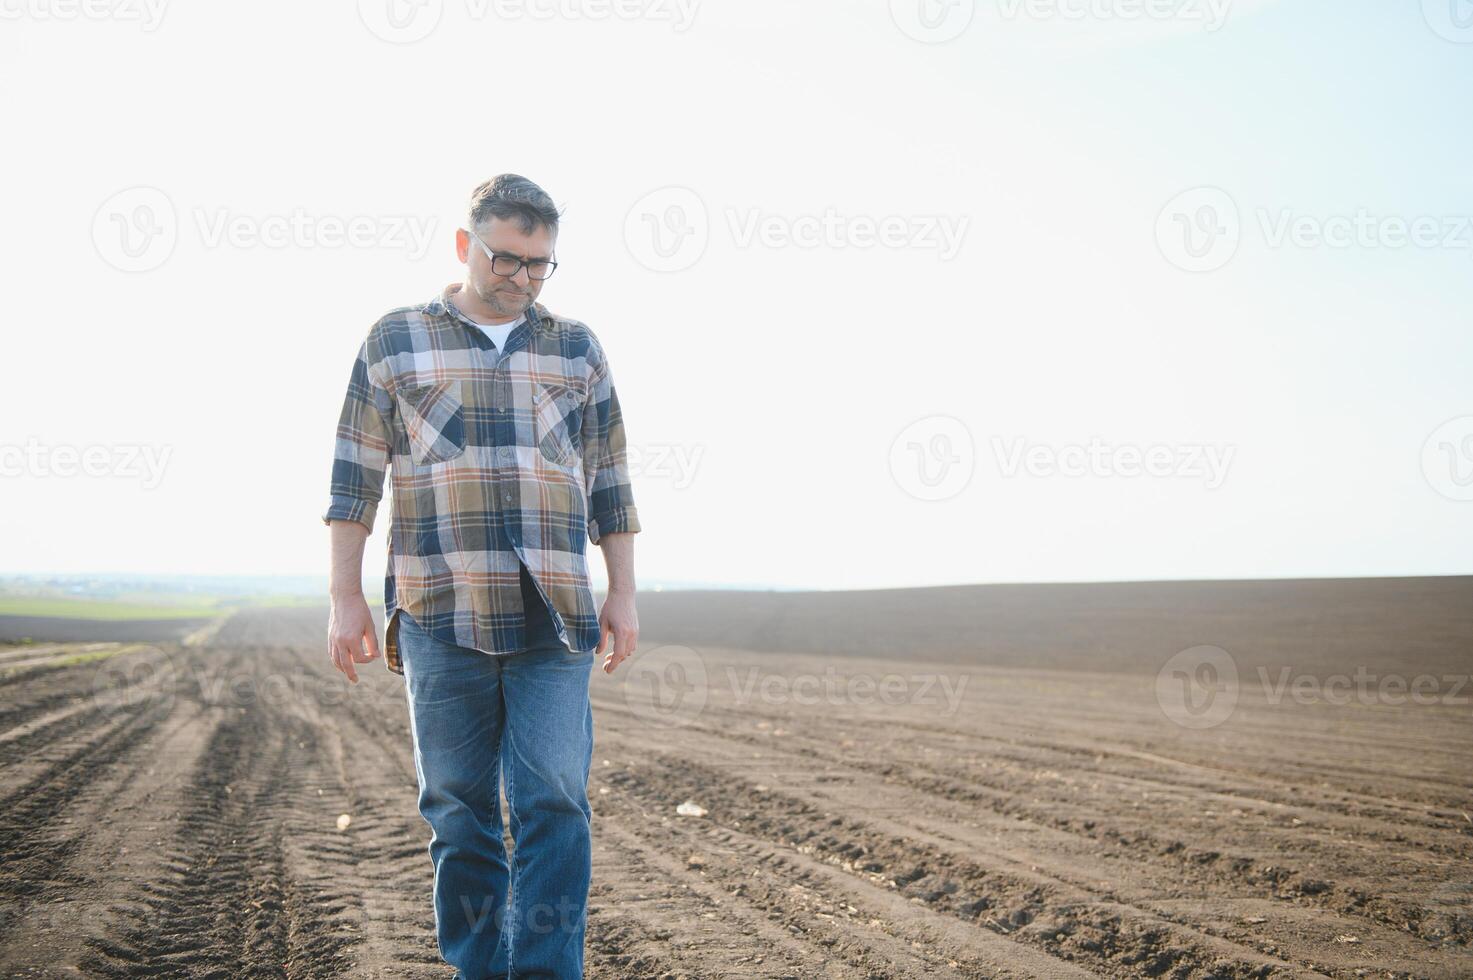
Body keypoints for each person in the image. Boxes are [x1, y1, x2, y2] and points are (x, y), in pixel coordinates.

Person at [321, 173, 642, 979]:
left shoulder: (576, 348)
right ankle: (478, 970)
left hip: (557, 617)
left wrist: (625, 592)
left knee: (553, 804)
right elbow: (353, 478)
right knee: (458, 811)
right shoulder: (395, 341)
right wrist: (343, 597)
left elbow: (610, 479)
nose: (523, 279)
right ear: (467, 246)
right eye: (507, 260)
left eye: (540, 265)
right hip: (440, 613)